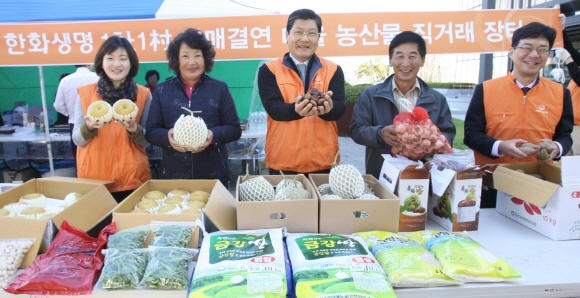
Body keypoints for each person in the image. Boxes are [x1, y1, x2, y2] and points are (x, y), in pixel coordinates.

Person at [464, 22, 574, 208]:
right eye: (527, 48)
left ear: (548, 54)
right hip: (491, 181)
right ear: (511, 51)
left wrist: (556, 147)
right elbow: (471, 136)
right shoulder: (486, 89)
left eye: (542, 49)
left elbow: (565, 136)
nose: (534, 55)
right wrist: (500, 147)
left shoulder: (561, 93)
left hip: (538, 182)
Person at [350, 31, 455, 179]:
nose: (406, 63)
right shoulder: (371, 95)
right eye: (399, 56)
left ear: (422, 60)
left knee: (415, 202)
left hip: (424, 178)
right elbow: (356, 130)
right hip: (381, 175)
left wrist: (431, 140)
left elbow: (449, 134)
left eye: (412, 56)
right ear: (390, 60)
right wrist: (380, 134)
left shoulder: (437, 99)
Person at [145, 28, 241, 187]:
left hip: (215, 176)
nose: (192, 62)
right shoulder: (162, 90)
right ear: (176, 60)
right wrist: (167, 136)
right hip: (174, 176)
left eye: (197, 55)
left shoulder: (219, 88)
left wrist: (212, 136)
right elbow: (151, 131)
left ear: (205, 59)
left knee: (213, 213)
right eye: (185, 56)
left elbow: (234, 128)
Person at [258, 8, 346, 175]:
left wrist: (328, 109)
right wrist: (295, 110)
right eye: (298, 32)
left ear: (319, 37)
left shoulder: (333, 69)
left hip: (324, 161)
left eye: (312, 33)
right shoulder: (269, 70)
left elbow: (340, 108)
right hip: (283, 162)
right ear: (287, 35)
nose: (305, 39)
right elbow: (273, 108)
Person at [72, 36, 152, 203]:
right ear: (101, 62)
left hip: (132, 180)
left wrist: (132, 129)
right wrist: (89, 126)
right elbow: (77, 140)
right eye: (110, 58)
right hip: (95, 182)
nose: (116, 64)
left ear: (131, 64)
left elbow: (147, 141)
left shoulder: (143, 94)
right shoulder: (86, 94)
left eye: (123, 59)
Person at [54, 66, 99, 159]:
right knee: (96, 156)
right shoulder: (97, 77)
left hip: (74, 123)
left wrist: (70, 113)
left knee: (79, 157)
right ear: (89, 63)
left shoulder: (65, 80)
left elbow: (58, 105)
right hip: (97, 123)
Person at [554, 14, 580, 155]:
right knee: (568, 164)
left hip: (579, 127)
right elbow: (570, 48)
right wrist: (562, 29)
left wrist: (568, 59)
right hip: (572, 124)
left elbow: (578, 77)